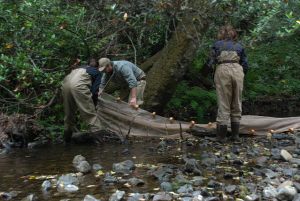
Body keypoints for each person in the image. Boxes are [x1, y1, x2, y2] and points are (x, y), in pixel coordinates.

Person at [207, 25, 249, 142]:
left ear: (221, 34)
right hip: (237, 70)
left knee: (224, 102)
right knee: (236, 102)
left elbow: (210, 63)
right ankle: (235, 136)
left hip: (223, 69)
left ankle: (221, 137)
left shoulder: (216, 45)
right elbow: (245, 64)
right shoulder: (239, 46)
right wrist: (241, 73)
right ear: (233, 34)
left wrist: (214, 74)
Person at [61, 58, 103, 143]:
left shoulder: (78, 68)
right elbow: (95, 91)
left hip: (65, 84)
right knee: (90, 114)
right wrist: (93, 105)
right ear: (97, 66)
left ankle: (66, 140)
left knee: (69, 114)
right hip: (78, 85)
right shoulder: (97, 72)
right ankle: (99, 142)